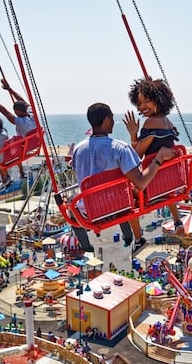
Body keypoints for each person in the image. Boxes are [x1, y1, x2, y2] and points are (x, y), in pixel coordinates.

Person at [72, 103, 176, 253]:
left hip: (88, 211)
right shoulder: (119, 148)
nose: (114, 122)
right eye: (113, 119)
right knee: (139, 191)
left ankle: (137, 238)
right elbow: (140, 183)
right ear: (107, 120)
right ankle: (140, 236)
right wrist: (159, 158)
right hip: (115, 207)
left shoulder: (78, 149)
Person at [123, 77, 183, 234]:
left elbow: (136, 155)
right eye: (139, 103)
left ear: (158, 99)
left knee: (124, 194)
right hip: (169, 181)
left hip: (152, 184)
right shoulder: (168, 122)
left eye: (147, 101)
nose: (142, 106)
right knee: (162, 173)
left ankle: (137, 237)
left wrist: (133, 134)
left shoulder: (150, 123)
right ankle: (177, 220)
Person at [0, 79, 38, 179]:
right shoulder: (33, 114)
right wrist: (10, 89)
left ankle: (7, 177)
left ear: (17, 111)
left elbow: (5, 112)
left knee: (9, 144)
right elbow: (23, 102)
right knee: (16, 142)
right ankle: (21, 173)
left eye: (15, 111)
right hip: (33, 143)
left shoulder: (20, 122)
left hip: (23, 147)